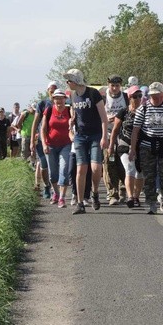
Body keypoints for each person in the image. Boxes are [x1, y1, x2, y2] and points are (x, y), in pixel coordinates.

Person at [63, 68, 109, 215]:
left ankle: (95, 192)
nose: (67, 83)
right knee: (81, 169)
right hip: (80, 136)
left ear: (76, 81)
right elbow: (75, 112)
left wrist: (104, 137)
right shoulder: (73, 95)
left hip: (95, 135)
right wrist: (72, 121)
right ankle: (80, 203)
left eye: (69, 80)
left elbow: (104, 118)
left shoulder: (93, 94)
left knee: (95, 168)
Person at [129, 81, 163, 214]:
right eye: (153, 95)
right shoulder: (143, 108)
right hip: (147, 146)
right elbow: (136, 130)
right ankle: (151, 203)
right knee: (149, 175)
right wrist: (133, 149)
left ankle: (162, 196)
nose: (156, 98)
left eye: (158, 95)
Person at [108, 85, 144, 208]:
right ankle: (129, 196)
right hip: (125, 145)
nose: (138, 98)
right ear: (129, 97)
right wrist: (111, 146)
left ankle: (136, 197)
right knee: (130, 169)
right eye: (135, 96)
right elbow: (115, 130)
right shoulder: (123, 112)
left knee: (140, 173)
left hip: (141, 145)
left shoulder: (145, 110)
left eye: (140, 96)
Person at [41, 89, 72, 208]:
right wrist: (44, 144)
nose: (59, 100)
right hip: (50, 145)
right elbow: (43, 129)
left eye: (61, 98)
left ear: (65, 99)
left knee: (64, 170)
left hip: (66, 144)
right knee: (52, 174)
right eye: (56, 98)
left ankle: (62, 198)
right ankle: (56, 193)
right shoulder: (49, 110)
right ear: (53, 99)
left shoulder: (69, 110)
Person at [103, 74, 129, 205]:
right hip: (108, 134)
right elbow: (98, 115)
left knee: (123, 163)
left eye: (117, 86)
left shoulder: (125, 97)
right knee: (109, 163)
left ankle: (124, 188)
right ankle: (113, 193)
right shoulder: (103, 97)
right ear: (108, 85)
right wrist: (105, 118)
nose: (114, 88)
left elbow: (131, 112)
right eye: (112, 85)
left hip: (123, 135)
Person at [30, 83, 55, 198]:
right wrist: (31, 141)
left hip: (55, 139)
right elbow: (35, 123)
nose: (53, 91)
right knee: (44, 164)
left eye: (55, 89)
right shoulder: (42, 103)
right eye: (51, 89)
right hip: (41, 139)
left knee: (55, 165)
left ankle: (55, 189)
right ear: (48, 90)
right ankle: (46, 186)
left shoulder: (62, 102)